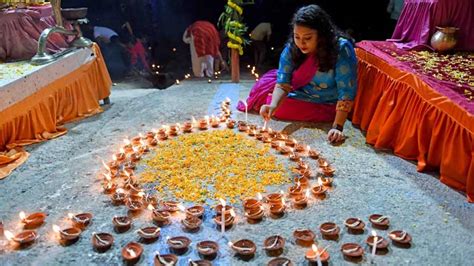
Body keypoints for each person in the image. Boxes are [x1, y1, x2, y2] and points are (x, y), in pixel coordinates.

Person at [237, 4, 357, 143]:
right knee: (273, 104)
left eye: (308, 38)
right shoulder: (292, 49)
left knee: (291, 108)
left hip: (329, 101)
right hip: (302, 95)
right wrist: (274, 105)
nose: (301, 43)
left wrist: (338, 127)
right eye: (297, 37)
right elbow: (283, 83)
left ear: (322, 35)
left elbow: (346, 91)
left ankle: (330, 116)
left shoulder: (340, 49)